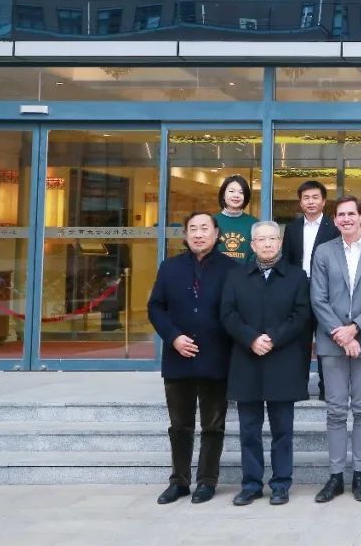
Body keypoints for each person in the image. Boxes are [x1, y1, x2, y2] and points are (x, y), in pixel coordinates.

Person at [147, 212, 238, 505]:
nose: (199, 234)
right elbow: (155, 307)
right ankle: (179, 481)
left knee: (213, 426)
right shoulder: (170, 267)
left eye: (204, 229)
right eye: (193, 229)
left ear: (216, 233)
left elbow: (237, 311)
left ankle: (207, 482)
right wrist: (173, 337)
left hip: (216, 358)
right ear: (185, 235)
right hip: (178, 358)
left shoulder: (232, 269)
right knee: (180, 426)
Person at [309, 196, 361, 504]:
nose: (346, 219)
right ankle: (335, 476)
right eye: (340, 215)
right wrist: (342, 335)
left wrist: (355, 329)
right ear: (334, 220)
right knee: (334, 410)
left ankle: (360, 475)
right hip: (331, 341)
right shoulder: (323, 251)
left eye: (351, 214)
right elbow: (318, 298)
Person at [221, 221, 312, 507]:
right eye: (261, 239)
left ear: (280, 242)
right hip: (247, 360)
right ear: (253, 245)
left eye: (273, 238)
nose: (268, 244)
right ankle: (251, 484)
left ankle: (281, 484)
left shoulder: (297, 276)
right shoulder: (236, 276)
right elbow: (228, 314)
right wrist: (251, 338)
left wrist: (273, 337)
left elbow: (302, 315)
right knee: (249, 430)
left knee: (282, 430)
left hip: (283, 361)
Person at [280, 179, 340, 401]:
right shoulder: (293, 228)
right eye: (306, 198)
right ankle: (299, 389)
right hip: (299, 290)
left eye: (315, 197)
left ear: (324, 201)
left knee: (326, 340)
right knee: (299, 342)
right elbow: (286, 260)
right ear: (300, 202)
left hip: (326, 292)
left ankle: (327, 389)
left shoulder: (334, 228)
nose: (311, 201)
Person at [216, 174, 258, 262]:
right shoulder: (212, 221)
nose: (236, 195)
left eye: (241, 192)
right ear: (223, 195)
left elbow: (257, 254)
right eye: (231, 191)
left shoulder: (254, 223)